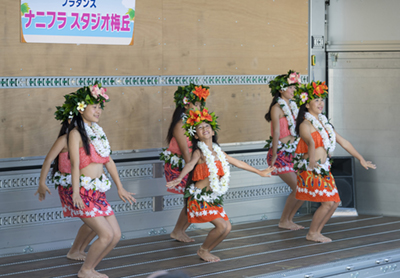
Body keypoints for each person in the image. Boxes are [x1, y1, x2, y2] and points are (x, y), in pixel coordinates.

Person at [167, 108, 275, 262]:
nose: (205, 129)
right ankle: (203, 250)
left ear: (212, 132)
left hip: (212, 198)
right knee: (220, 226)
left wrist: (259, 172)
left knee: (227, 227)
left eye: (207, 126)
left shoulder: (219, 152)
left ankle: (206, 250)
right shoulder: (200, 152)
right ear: (196, 135)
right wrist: (180, 178)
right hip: (199, 199)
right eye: (200, 127)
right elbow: (190, 164)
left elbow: (238, 163)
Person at [57, 84, 136, 278]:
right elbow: (75, 165)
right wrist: (75, 192)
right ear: (81, 108)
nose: (98, 110)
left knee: (115, 235)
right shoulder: (75, 133)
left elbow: (108, 161)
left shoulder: (98, 132)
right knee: (106, 234)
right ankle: (85, 270)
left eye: (100, 107)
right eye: (94, 107)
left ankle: (90, 268)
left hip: (98, 193)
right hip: (83, 192)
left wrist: (120, 187)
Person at [293, 81, 376, 243]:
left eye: (321, 100)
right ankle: (312, 233)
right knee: (328, 202)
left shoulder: (326, 125)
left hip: (323, 168)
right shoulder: (305, 124)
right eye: (316, 100)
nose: (320, 103)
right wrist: (311, 158)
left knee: (335, 203)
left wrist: (361, 159)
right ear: (307, 105)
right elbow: (309, 142)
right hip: (311, 168)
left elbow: (343, 142)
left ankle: (316, 232)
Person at [35, 119, 96, 261]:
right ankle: (74, 250)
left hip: (83, 186)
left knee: (98, 222)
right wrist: (41, 183)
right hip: (69, 187)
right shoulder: (64, 139)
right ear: (70, 120)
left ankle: (80, 250)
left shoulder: (87, 138)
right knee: (92, 221)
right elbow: (48, 160)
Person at [160, 83, 209, 242]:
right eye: (196, 104)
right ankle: (178, 231)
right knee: (193, 198)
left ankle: (179, 230)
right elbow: (187, 153)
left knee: (196, 198)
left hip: (194, 163)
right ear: (186, 104)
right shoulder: (180, 125)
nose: (199, 107)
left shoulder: (197, 122)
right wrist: (197, 172)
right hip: (181, 166)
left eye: (200, 104)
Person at [264, 70, 305, 230]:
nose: (293, 90)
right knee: (297, 187)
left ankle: (288, 219)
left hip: (293, 153)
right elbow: (275, 132)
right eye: (290, 87)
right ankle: (284, 220)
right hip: (280, 153)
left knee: (303, 188)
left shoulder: (293, 106)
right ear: (281, 89)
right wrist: (274, 155)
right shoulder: (277, 107)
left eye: (294, 88)